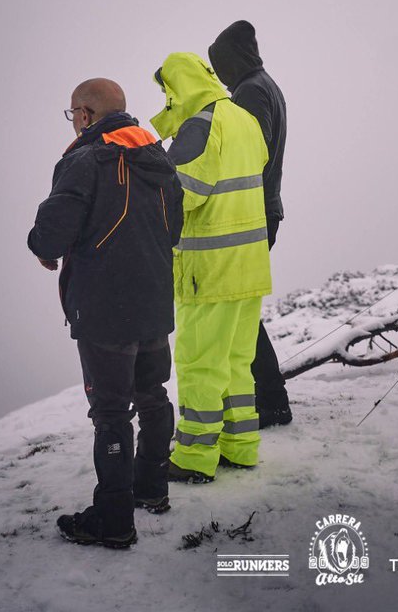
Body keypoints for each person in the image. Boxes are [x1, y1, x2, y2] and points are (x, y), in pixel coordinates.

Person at [27, 78, 183, 548]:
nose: (73, 120)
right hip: (154, 301)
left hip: (104, 311)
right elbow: (172, 228)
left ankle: (113, 522)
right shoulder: (158, 158)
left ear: (88, 114)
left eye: (74, 112)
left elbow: (52, 231)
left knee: (112, 414)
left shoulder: (84, 160)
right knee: (152, 394)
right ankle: (152, 490)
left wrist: (42, 247)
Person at [150, 52, 271, 483]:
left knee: (200, 362)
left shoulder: (200, 124)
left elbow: (184, 196)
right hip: (250, 264)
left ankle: (194, 457)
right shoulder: (243, 119)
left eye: (166, 91)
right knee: (238, 361)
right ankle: (240, 447)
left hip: (210, 267)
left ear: (178, 87)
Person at [208, 20, 292, 428]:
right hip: (262, 211)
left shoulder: (251, 91)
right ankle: (268, 400)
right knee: (243, 314)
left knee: (239, 315)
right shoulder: (263, 85)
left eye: (219, 66)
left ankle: (270, 402)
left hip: (250, 214)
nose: (220, 78)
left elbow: (246, 152)